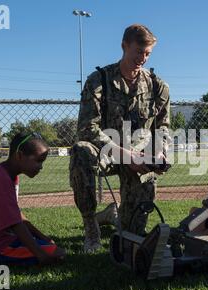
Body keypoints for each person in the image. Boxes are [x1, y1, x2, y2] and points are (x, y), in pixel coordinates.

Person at [69, 24, 171, 253]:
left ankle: (113, 216)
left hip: (139, 151)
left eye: (147, 53)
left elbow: (162, 127)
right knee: (81, 152)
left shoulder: (158, 86)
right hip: (105, 150)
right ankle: (91, 229)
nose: (142, 58)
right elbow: (87, 128)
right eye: (138, 51)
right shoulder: (99, 80)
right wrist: (124, 154)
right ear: (124, 46)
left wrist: (160, 151)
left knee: (130, 235)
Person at [0, 133, 66, 266]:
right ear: (19, 156)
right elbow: (14, 223)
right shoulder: (0, 179)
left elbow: (16, 214)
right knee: (58, 254)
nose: (41, 167)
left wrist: (43, 238)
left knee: (52, 248)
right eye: (38, 160)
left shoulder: (7, 174)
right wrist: (40, 254)